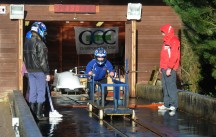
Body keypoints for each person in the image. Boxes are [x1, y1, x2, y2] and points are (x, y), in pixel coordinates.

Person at [23, 22, 50, 120]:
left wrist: (28, 68)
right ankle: (38, 115)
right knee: (41, 92)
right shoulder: (40, 43)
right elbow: (43, 60)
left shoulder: (26, 43)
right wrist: (47, 73)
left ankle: (32, 113)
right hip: (39, 71)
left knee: (33, 91)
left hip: (30, 70)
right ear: (40, 30)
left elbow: (25, 59)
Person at [158, 24, 180, 111]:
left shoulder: (174, 41)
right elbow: (163, 55)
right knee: (165, 86)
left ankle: (174, 105)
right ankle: (166, 104)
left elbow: (174, 56)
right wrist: (161, 67)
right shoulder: (165, 42)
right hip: (164, 68)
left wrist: (170, 68)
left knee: (171, 86)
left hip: (169, 68)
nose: (162, 34)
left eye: (163, 32)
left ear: (167, 31)